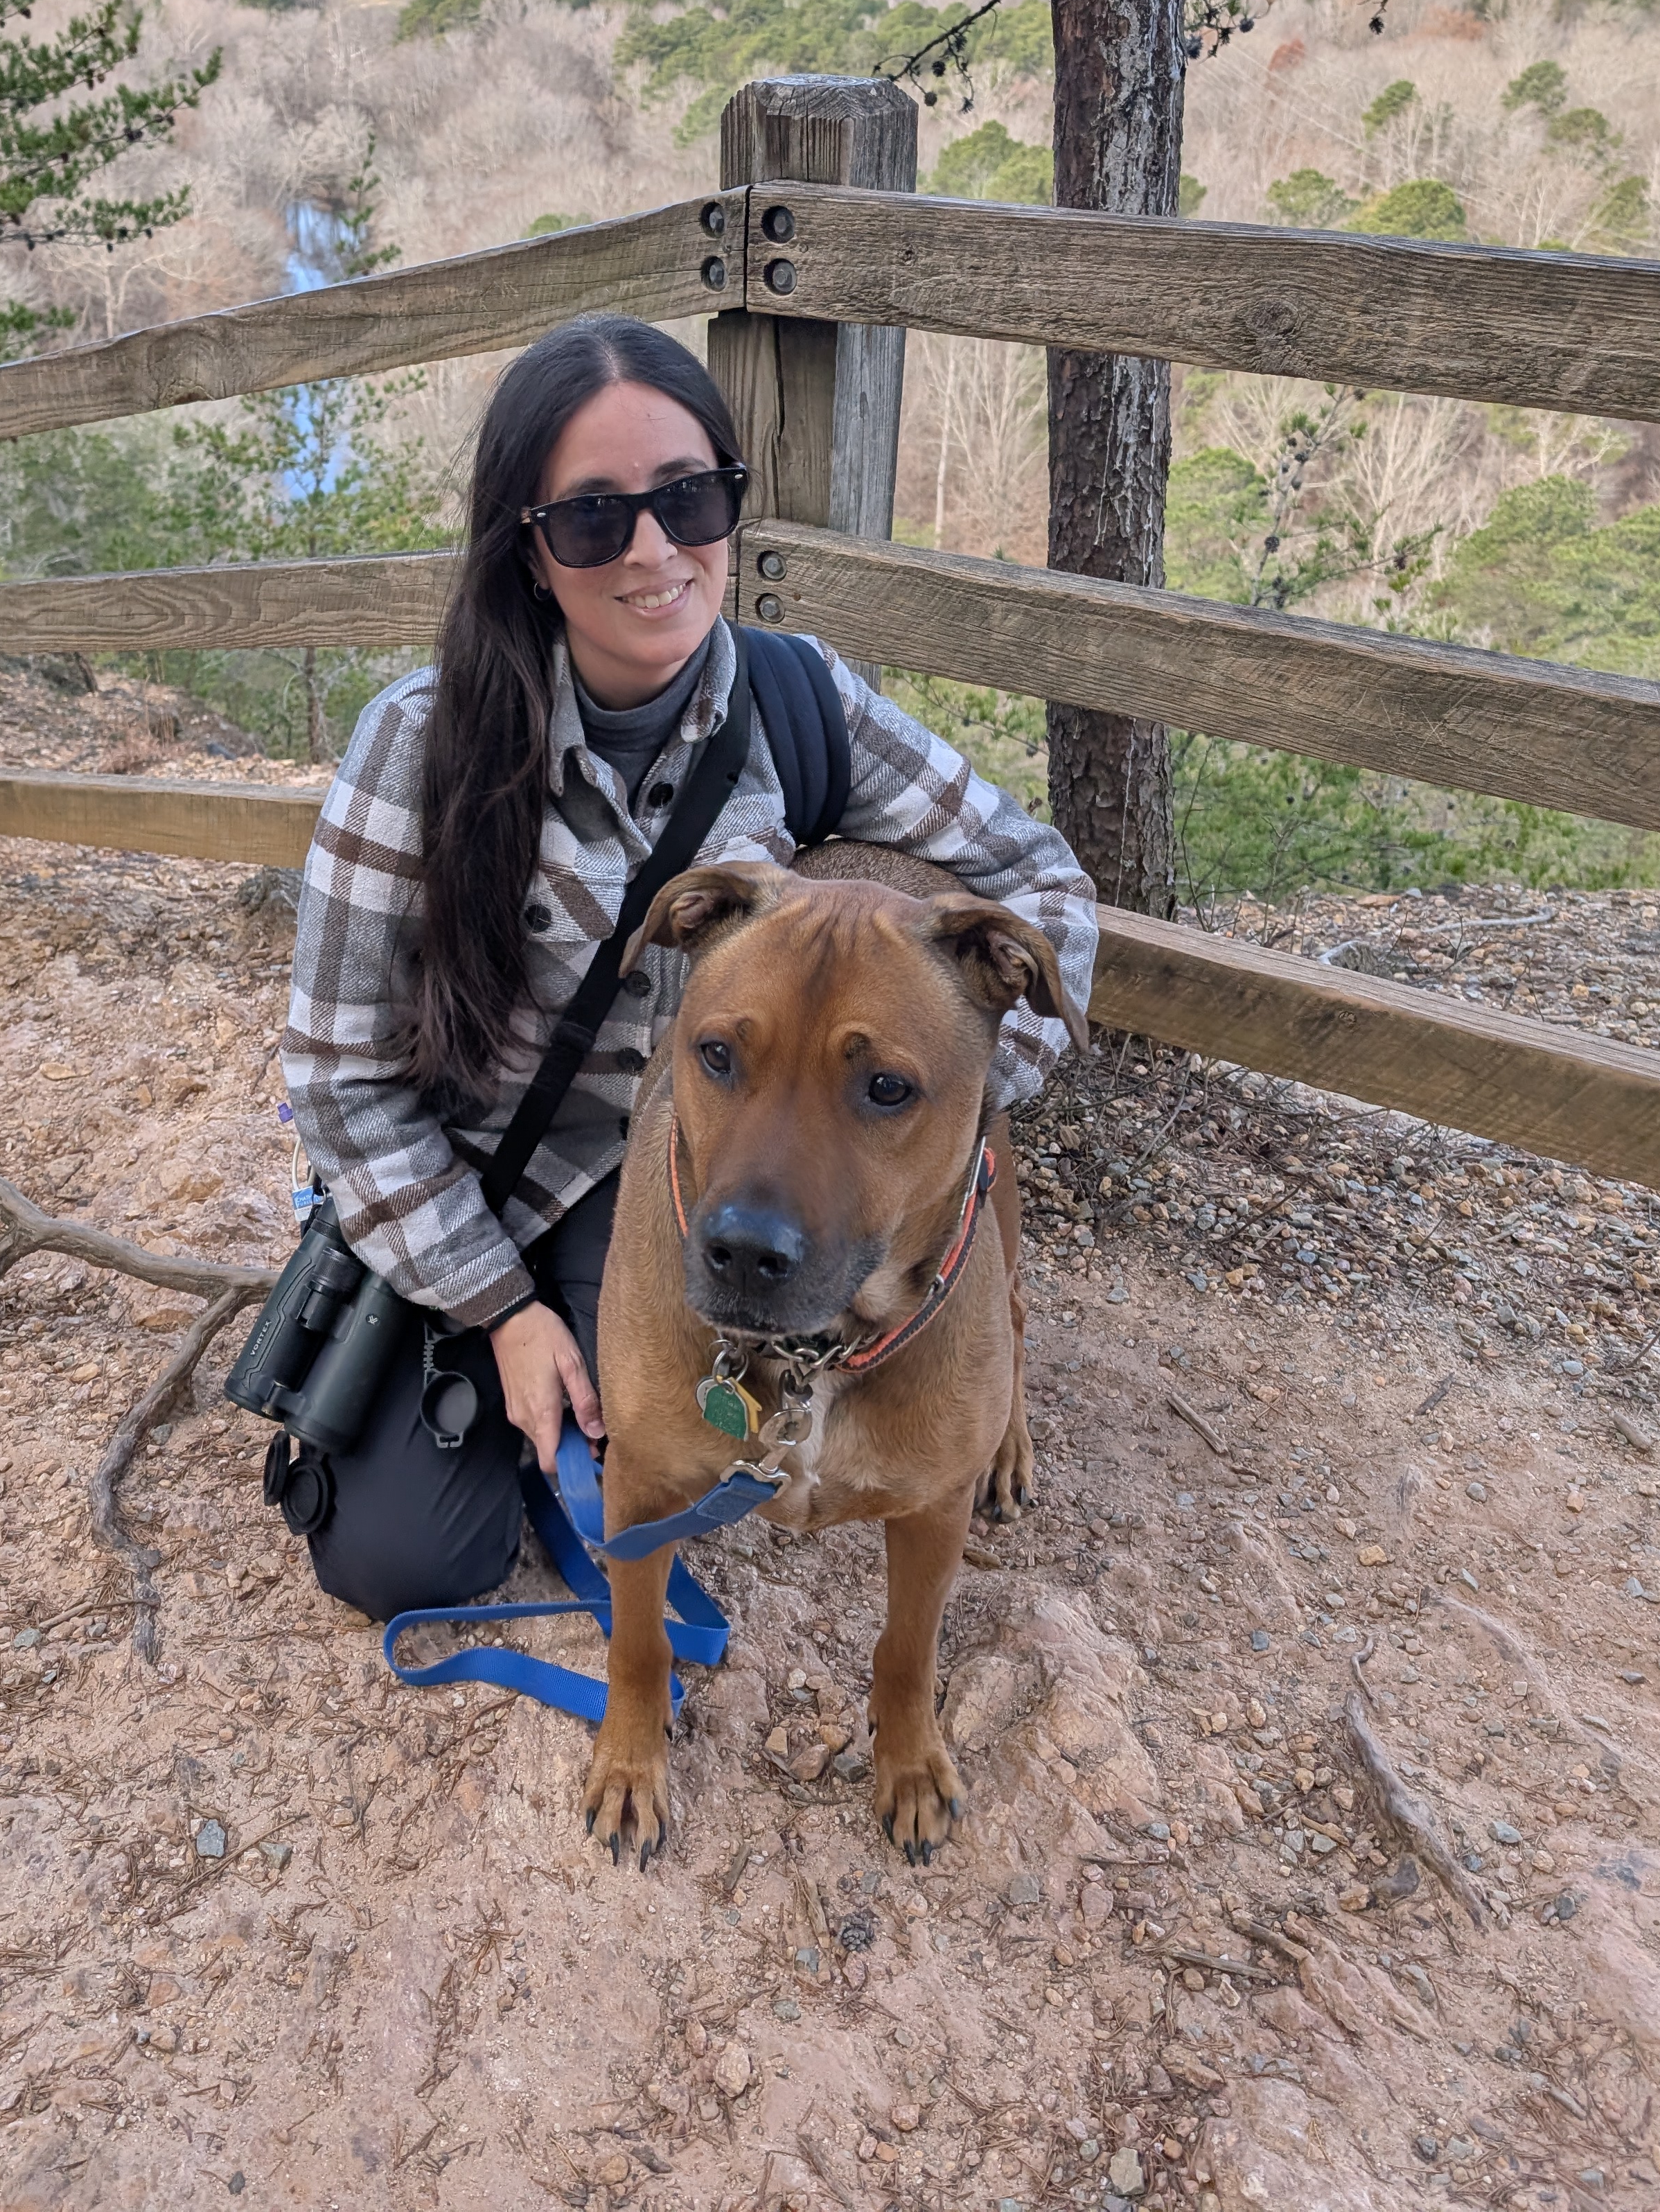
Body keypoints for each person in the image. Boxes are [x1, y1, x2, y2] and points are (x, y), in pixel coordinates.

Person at [280, 312, 1097, 1620]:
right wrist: (501, 1309)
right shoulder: (419, 746)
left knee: (708, 1421)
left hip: (709, 1175)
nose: (654, 552)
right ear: (530, 549)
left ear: (729, 502)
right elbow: (336, 1084)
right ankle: (526, 1347)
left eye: (691, 498)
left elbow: (1040, 877)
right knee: (401, 1562)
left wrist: (968, 1082)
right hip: (481, 1187)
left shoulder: (800, 701)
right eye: (595, 519)